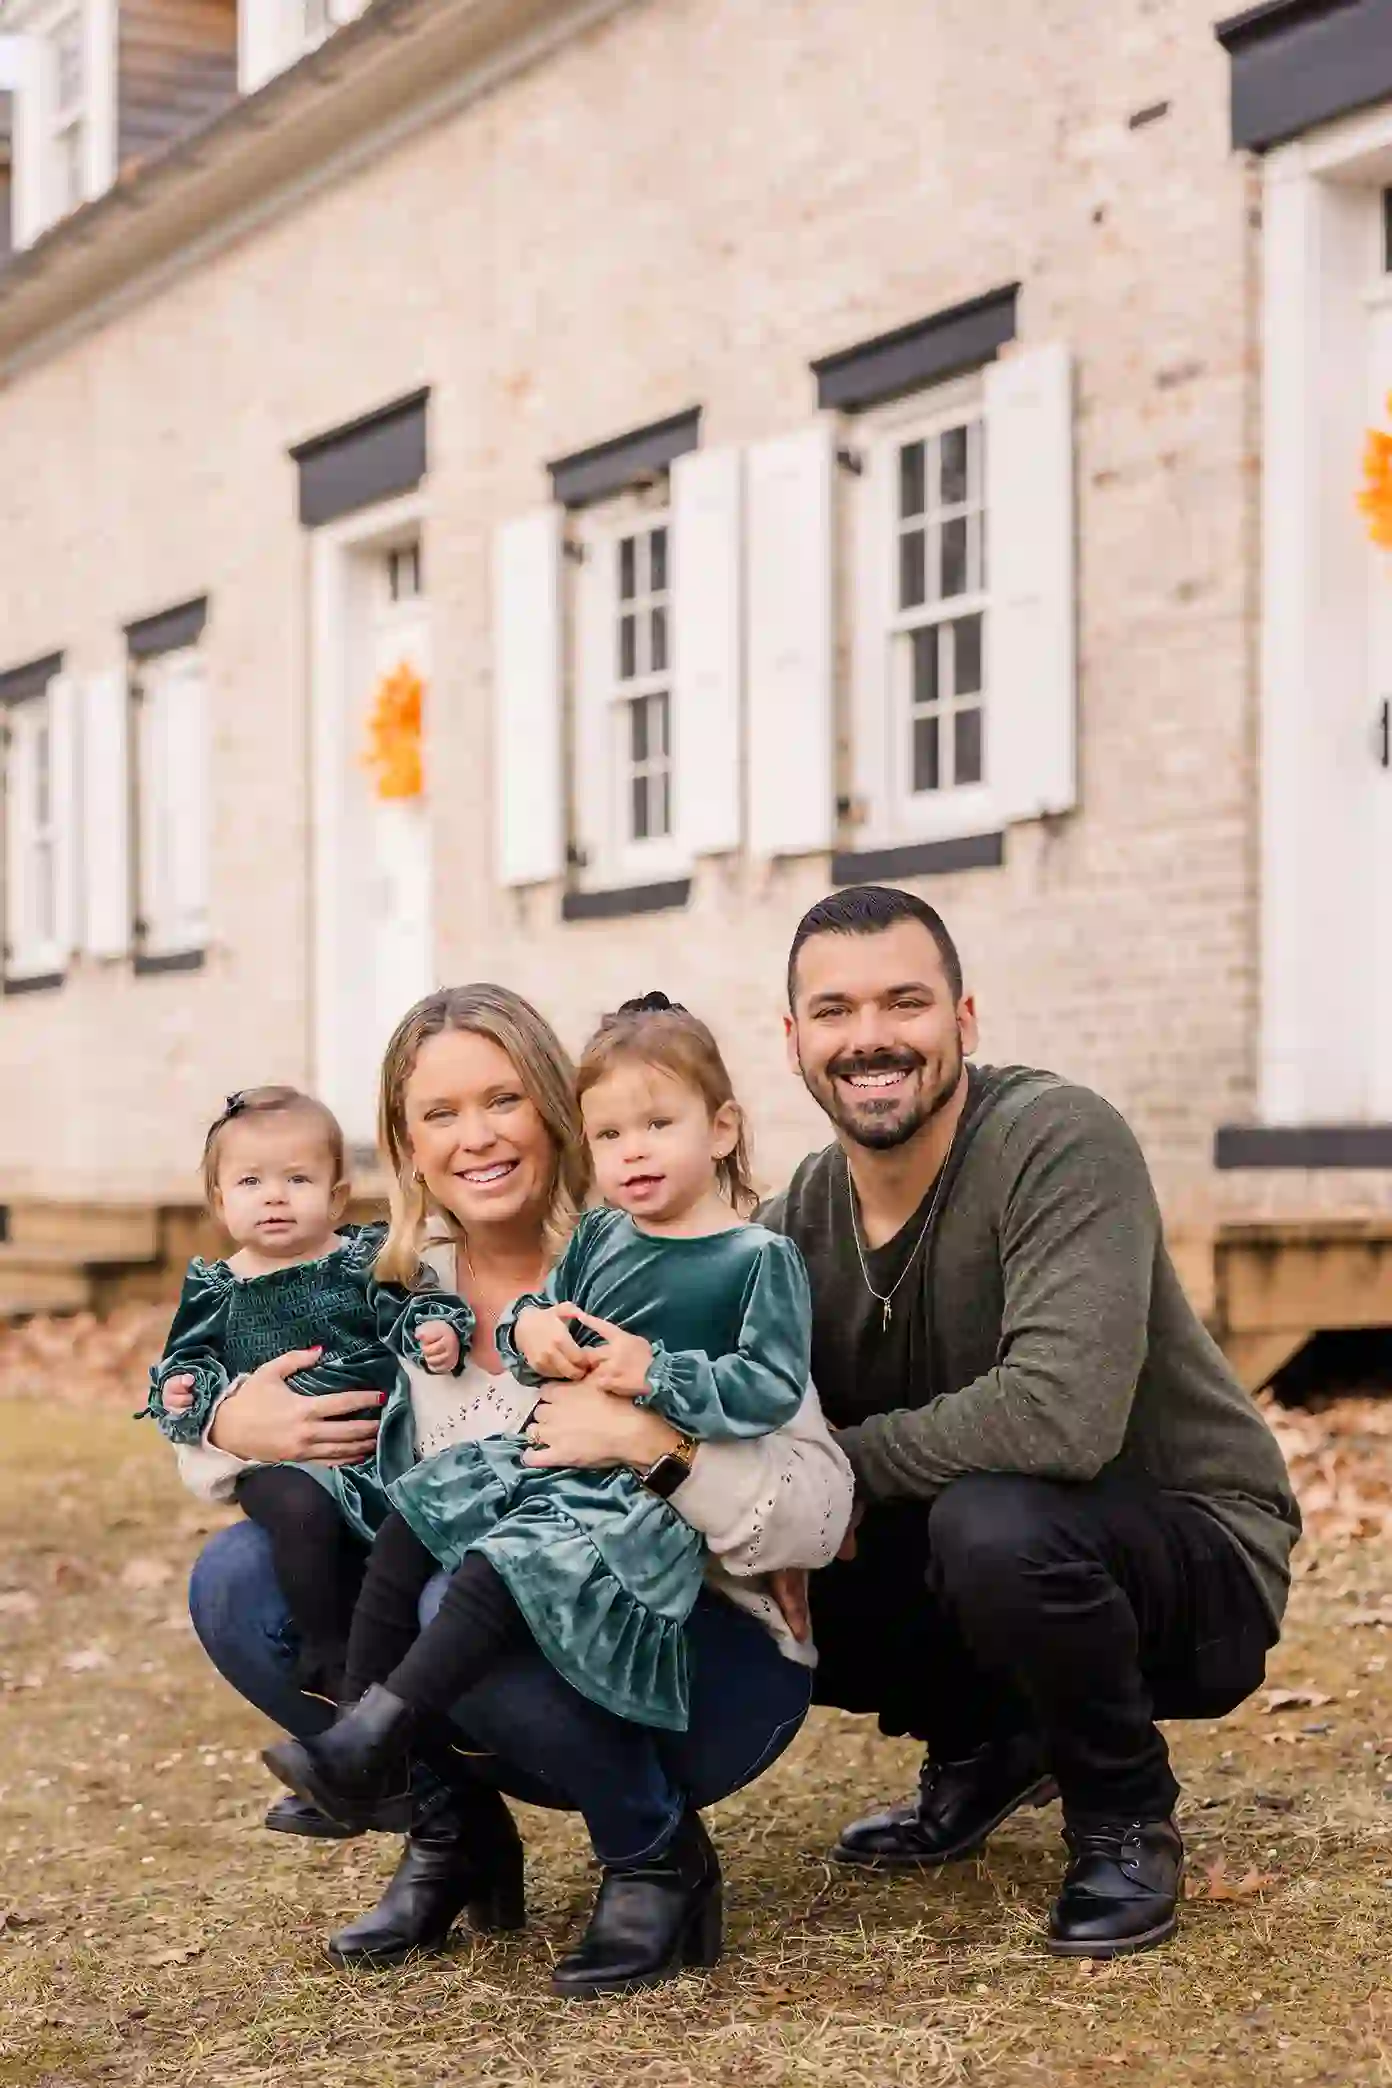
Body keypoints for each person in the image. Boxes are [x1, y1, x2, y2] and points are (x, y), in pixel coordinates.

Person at [177, 986, 852, 1995]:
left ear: (555, 1106)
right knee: (241, 1576)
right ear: (405, 1145)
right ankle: (456, 1841)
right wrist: (224, 1425)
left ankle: (654, 1850)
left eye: (502, 1101)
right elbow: (223, 1398)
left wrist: (652, 1443)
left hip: (702, 1664)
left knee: (468, 1584)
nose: (476, 1138)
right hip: (494, 1651)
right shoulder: (398, 1286)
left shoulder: (660, 1245)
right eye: (439, 1115)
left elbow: (824, 1511)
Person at [763, 884, 1300, 1960]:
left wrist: (835, 1478)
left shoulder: (1058, 1140)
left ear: (964, 1020)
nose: (870, 1038)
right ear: (794, 1041)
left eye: (904, 1003)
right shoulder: (803, 1212)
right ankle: (989, 1742)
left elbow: (1061, 1419)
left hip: (1192, 1556)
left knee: (988, 1523)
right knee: (751, 1541)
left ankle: (1124, 1817)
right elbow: (743, 1408)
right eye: (835, 1011)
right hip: (988, 1537)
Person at [139, 1085, 471, 1708]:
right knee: (300, 1514)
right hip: (282, 1461)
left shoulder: (361, 1261)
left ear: (337, 1194)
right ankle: (329, 1651)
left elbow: (408, 1307)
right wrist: (187, 1394)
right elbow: (185, 1363)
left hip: (378, 1447)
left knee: (405, 1526)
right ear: (218, 1201)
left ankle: (390, 1668)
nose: (274, 1197)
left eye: (297, 1179)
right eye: (249, 1183)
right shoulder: (219, 1290)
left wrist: (434, 1329)